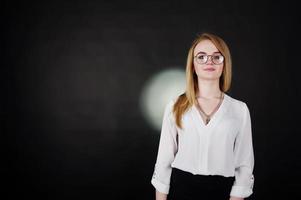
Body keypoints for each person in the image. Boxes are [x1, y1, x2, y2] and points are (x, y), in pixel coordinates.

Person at [151, 32, 255, 200]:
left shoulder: (239, 110)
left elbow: (244, 164)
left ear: (224, 64)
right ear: (193, 64)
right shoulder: (176, 105)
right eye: (201, 57)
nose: (209, 61)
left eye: (216, 57)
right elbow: (163, 161)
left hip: (222, 191)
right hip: (181, 189)